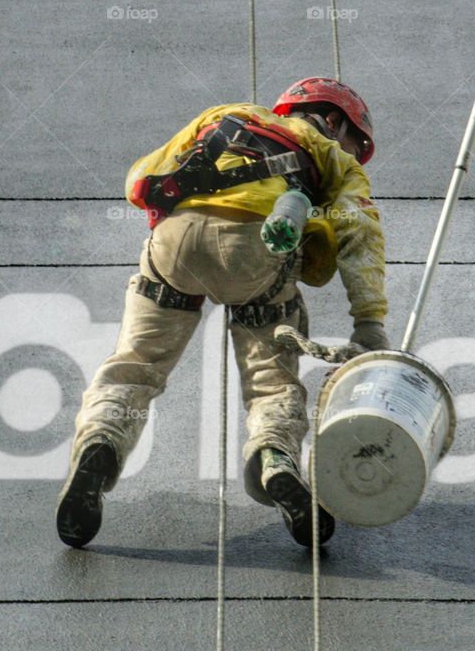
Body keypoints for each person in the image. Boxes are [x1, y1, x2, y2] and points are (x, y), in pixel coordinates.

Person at [56, 77, 389, 550]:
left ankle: (102, 443)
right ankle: (275, 458)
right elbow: (360, 232)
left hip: (174, 245)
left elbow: (138, 181)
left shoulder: (224, 115)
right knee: (271, 383)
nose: (354, 155)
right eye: (356, 143)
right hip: (257, 252)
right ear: (333, 120)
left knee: (135, 365)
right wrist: (369, 322)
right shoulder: (332, 157)